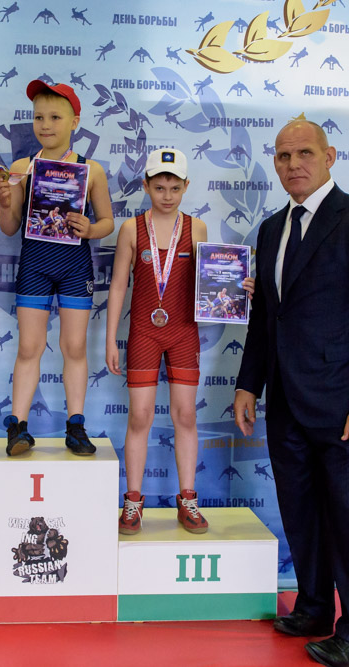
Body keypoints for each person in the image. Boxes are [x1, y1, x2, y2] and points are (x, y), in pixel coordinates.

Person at [233, 119, 349, 667]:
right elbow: (268, 315)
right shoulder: (271, 229)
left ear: (330, 157)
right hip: (286, 401)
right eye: (283, 156)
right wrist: (248, 382)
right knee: (302, 512)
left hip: (347, 406)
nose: (293, 165)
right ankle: (313, 607)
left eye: (304, 153)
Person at [106, 149, 254, 535]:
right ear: (146, 186)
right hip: (143, 332)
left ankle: (188, 500)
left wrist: (236, 286)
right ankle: (133, 502)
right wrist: (110, 340)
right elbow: (118, 285)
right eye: (159, 187)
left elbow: (210, 281)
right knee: (139, 416)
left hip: (184, 332)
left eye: (174, 188)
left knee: (185, 416)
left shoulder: (197, 228)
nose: (167, 195)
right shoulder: (131, 229)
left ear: (186, 187)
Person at [0, 79, 114, 456]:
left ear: (75, 121)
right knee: (29, 346)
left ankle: (75, 426)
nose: (45, 125)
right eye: (38, 117)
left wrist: (90, 229)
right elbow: (10, 227)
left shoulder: (91, 170)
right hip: (35, 264)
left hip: (75, 266)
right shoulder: (21, 168)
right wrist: (4, 202)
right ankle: (18, 427)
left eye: (55, 117)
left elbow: (108, 222)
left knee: (73, 346)